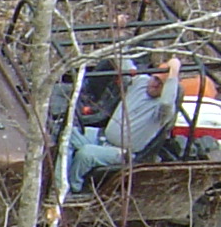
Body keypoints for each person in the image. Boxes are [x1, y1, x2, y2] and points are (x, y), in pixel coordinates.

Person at [71, 54, 181, 190]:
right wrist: (116, 45)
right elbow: (124, 63)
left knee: (86, 154)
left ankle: (73, 190)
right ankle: (57, 186)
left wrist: (173, 72)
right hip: (102, 136)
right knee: (68, 134)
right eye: (155, 79)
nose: (155, 84)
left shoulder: (163, 111)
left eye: (161, 84)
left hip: (122, 153)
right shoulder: (141, 82)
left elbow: (167, 102)